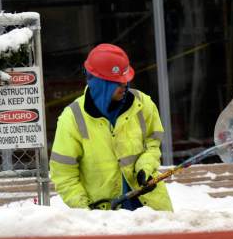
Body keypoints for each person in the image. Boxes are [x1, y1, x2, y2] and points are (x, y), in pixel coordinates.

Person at [49, 43, 173, 211]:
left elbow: (153, 143)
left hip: (151, 208)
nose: (125, 86)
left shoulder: (143, 104)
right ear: (101, 83)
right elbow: (64, 175)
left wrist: (145, 167)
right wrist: (86, 211)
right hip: (105, 217)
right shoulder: (72, 119)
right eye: (118, 83)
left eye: (126, 81)